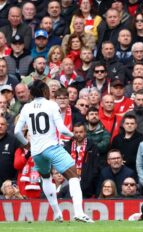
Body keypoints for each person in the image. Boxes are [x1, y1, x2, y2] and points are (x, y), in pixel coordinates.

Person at [14, 80, 93, 222]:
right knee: (74, 176)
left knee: (45, 178)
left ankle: (57, 213)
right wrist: (73, 135)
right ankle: (79, 212)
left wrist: (27, 145)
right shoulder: (51, 105)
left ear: (31, 93)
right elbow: (62, 129)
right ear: (45, 91)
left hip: (36, 152)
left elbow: (17, 131)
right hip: (52, 147)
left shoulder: (26, 107)